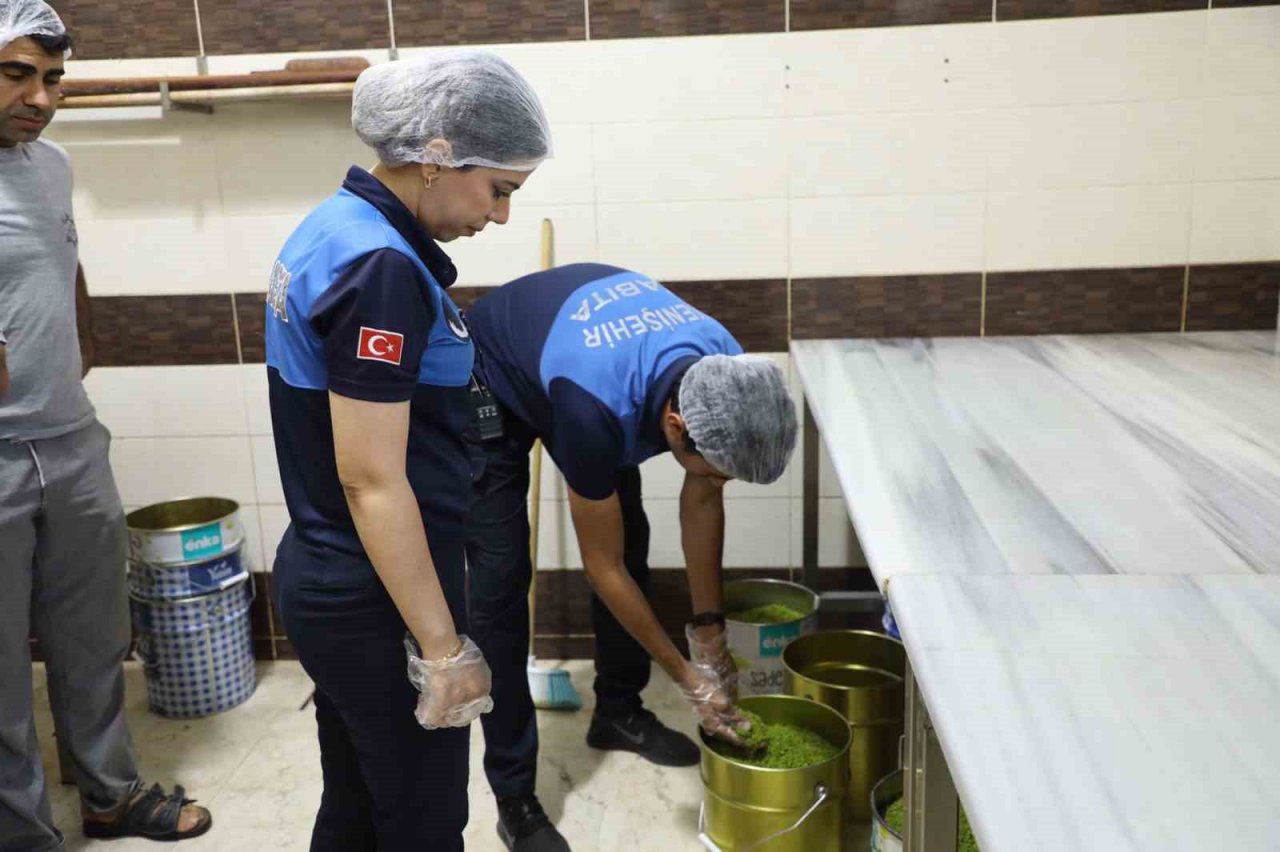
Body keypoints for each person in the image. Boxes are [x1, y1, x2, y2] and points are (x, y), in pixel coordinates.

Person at [264, 49, 552, 852]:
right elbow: (371, 479)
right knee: (424, 821)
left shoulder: (336, 224)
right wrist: (443, 646)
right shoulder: (380, 267)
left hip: (333, 570)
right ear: (435, 158)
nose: (499, 215)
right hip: (374, 593)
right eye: (498, 189)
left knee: (357, 806)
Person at [464, 263, 798, 852]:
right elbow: (602, 567)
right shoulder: (595, 409)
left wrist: (709, 633)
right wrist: (690, 678)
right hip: (491, 376)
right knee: (501, 585)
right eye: (717, 471)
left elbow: (701, 502)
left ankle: (616, 711)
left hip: (587, 368)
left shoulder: (724, 367)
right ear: (675, 426)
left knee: (632, 541)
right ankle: (514, 796)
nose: (717, 483)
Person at [0, 2, 212, 848]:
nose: (40, 98)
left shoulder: (48, 165)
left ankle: (110, 795)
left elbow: (61, 253)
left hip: (71, 440)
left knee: (94, 636)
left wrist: (84, 340)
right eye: (17, 73)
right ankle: (21, 833)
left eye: (53, 80)